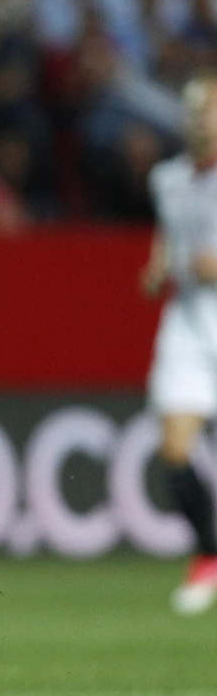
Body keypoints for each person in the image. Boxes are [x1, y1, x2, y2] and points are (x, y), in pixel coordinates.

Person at [142, 75, 217, 614]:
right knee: (174, 451)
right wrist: (157, 265)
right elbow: (168, 235)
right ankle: (210, 553)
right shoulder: (166, 178)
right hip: (189, 324)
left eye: (208, 109)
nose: (198, 118)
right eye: (193, 109)